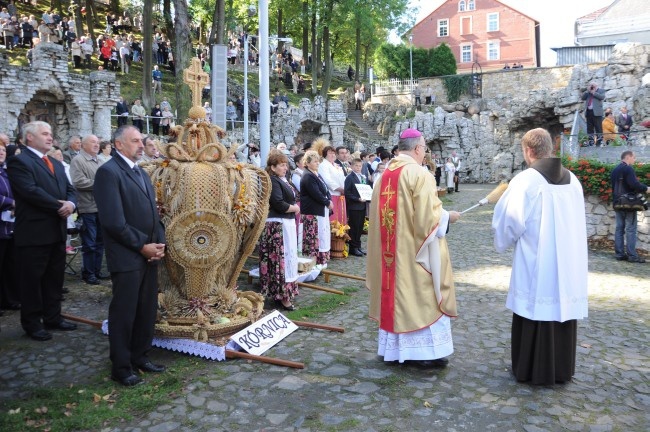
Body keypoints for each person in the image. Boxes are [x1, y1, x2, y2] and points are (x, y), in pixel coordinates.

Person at [492, 128, 589, 385]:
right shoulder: (574, 181)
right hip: (567, 265)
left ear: (528, 151)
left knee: (535, 304)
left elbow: (509, 223)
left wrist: (501, 240)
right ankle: (560, 369)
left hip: (536, 260)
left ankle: (530, 369)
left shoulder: (525, 181)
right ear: (550, 148)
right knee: (560, 307)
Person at [367, 128, 460, 368]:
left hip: (388, 256)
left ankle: (394, 350)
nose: (424, 153)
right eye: (425, 149)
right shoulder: (419, 174)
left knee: (395, 294)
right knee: (422, 294)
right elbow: (429, 220)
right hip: (414, 253)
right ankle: (424, 353)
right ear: (418, 148)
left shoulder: (383, 175)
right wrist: (449, 217)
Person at [94, 125, 166, 386]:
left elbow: (153, 213)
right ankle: (122, 366)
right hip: (127, 256)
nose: (141, 144)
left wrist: (159, 242)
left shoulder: (141, 172)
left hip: (149, 253)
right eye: (135, 140)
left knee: (146, 308)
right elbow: (114, 221)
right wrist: (141, 246)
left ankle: (140, 355)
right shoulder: (108, 173)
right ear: (118, 144)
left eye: (141, 140)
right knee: (125, 311)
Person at [6, 121, 78, 341]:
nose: (50, 137)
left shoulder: (55, 163)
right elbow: (30, 191)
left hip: (56, 231)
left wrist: (71, 204)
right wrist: (60, 205)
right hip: (34, 233)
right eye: (45, 134)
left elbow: (70, 189)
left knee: (54, 278)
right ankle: (32, 323)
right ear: (29, 137)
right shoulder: (19, 162)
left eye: (51, 133)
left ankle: (53, 317)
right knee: (32, 280)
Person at [259, 151, 301, 311]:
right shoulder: (272, 180)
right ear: (273, 167)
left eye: (286, 165)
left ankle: (283, 294)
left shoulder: (282, 180)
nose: (285, 168)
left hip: (285, 223)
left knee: (287, 258)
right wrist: (295, 208)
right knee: (279, 261)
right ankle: (281, 296)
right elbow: (278, 202)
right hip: (277, 225)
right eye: (282, 165)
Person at [70, 134, 106, 285]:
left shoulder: (100, 160)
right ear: (83, 145)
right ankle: (88, 273)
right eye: (93, 142)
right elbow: (78, 182)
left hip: (101, 207)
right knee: (89, 243)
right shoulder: (78, 160)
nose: (96, 145)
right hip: (87, 207)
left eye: (97, 142)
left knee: (100, 242)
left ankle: (96, 271)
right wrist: (100, 183)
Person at [610, 150, 649, 263]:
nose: (634, 160)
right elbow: (634, 184)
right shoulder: (628, 168)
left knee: (619, 228)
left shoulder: (615, 170)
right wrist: (646, 189)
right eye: (634, 157)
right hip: (629, 203)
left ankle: (619, 254)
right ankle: (632, 256)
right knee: (631, 229)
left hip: (617, 202)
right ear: (628, 157)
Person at [300, 150, 332, 266]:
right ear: (307, 163)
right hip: (312, 211)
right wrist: (327, 202)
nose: (317, 163)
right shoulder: (308, 176)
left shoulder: (316, 174)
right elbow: (316, 193)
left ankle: (322, 259)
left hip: (320, 210)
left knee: (322, 235)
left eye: (318, 161)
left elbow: (325, 189)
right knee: (314, 238)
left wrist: (328, 198)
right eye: (314, 161)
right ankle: (314, 261)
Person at [0, 140, 20, 311]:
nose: (1, 153)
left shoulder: (7, 171)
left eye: (3, 150)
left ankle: (10, 299)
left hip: (10, 224)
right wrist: (11, 203)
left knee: (10, 264)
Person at [344, 158, 367, 257]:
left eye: (360, 166)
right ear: (352, 166)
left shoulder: (362, 177)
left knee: (359, 228)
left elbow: (365, 189)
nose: (358, 168)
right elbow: (347, 193)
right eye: (356, 166)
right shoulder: (350, 178)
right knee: (354, 228)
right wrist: (357, 199)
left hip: (362, 206)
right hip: (354, 206)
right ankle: (353, 248)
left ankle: (358, 246)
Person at [318, 144, 347, 225]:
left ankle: (341, 235)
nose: (332, 155)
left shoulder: (336, 165)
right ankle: (333, 236)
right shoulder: (323, 165)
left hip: (341, 194)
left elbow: (343, 178)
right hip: (332, 194)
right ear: (325, 154)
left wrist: (345, 188)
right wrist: (340, 189)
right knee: (334, 218)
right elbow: (327, 180)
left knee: (341, 217)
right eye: (330, 153)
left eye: (333, 153)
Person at [582, 81, 605, 146]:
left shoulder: (601, 90)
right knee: (589, 128)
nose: (592, 87)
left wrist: (594, 93)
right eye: (591, 85)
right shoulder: (588, 92)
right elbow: (583, 98)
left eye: (593, 85)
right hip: (589, 112)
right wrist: (587, 90)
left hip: (597, 113)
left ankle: (599, 142)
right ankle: (591, 142)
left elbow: (602, 97)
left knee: (598, 128)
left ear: (596, 85)